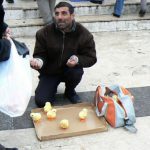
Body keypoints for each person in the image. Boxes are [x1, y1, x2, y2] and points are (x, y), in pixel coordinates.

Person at [30, 1, 97, 107]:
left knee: (76, 72)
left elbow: (91, 57)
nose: (59, 17)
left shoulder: (84, 34)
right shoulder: (43, 33)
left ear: (72, 15)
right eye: (57, 14)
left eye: (64, 13)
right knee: (42, 102)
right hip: (50, 71)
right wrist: (39, 61)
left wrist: (77, 60)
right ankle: (51, 86)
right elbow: (40, 54)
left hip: (70, 70)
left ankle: (70, 91)